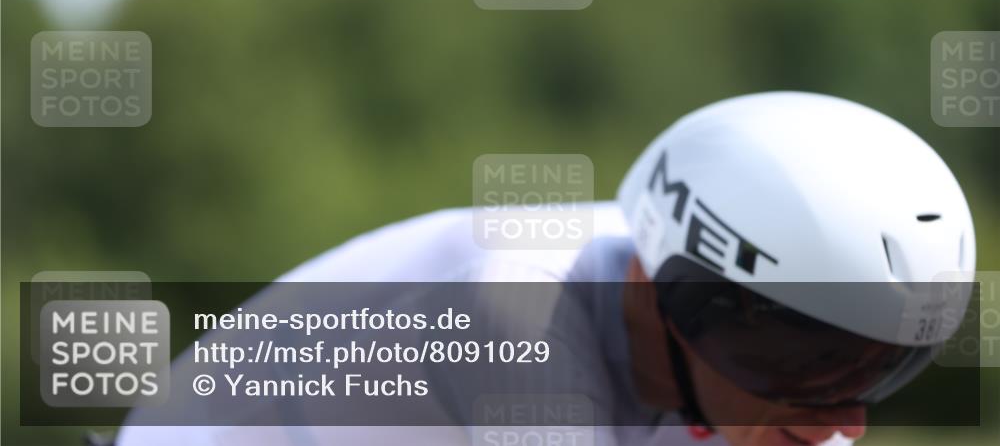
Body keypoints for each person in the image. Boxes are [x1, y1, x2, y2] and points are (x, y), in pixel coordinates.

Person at [116, 91, 976, 446]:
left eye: (877, 370)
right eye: (809, 360)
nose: (842, 420)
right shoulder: (516, 308)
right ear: (664, 288)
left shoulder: (747, 388)